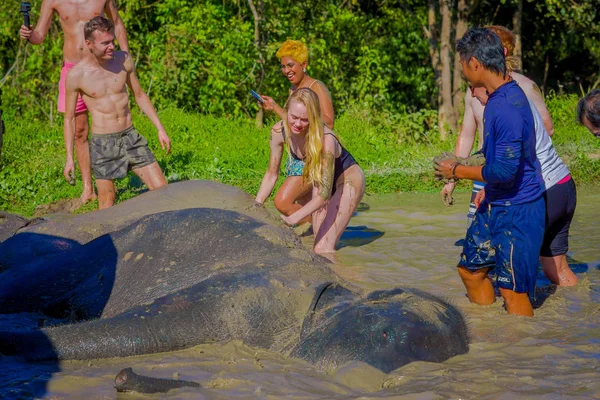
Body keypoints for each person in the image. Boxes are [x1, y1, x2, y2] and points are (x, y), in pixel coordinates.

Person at [435, 27, 545, 317]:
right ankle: (489, 334)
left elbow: (505, 171)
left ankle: (519, 352)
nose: (462, 70)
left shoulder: (507, 106)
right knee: (470, 271)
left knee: (513, 292)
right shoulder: (495, 99)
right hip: (495, 201)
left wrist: (456, 170)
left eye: (461, 63)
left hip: (518, 210)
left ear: (474, 63)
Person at [441, 26, 553, 226]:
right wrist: (452, 177)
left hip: (516, 174)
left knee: (511, 234)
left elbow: (547, 128)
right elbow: (467, 135)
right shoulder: (473, 90)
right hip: (483, 171)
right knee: (479, 233)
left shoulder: (523, 87)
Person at [20, 0, 130, 204]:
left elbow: (117, 24)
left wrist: (124, 56)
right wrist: (29, 34)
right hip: (72, 69)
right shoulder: (51, 1)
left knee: (108, 121)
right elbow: (39, 37)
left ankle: (111, 178)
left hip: (101, 66)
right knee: (80, 131)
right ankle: (88, 188)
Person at [469, 86, 577, 286]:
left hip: (542, 192)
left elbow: (509, 166)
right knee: (557, 270)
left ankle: (511, 317)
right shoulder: (517, 96)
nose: (472, 94)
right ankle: (580, 309)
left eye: (472, 87)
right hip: (563, 186)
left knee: (503, 269)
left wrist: (458, 171)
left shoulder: (503, 106)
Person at [63, 17, 170, 210]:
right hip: (103, 145)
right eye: (105, 43)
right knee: (107, 205)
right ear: (89, 44)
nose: (111, 46)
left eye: (112, 40)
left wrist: (160, 129)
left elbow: (139, 95)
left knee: (162, 191)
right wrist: (70, 158)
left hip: (131, 137)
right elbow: (69, 118)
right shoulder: (77, 75)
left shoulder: (123, 60)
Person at [256, 88, 364, 255]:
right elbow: (271, 174)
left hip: (347, 181)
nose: (298, 124)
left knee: (322, 249)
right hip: (319, 180)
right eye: (294, 117)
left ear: (314, 118)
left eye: (305, 120)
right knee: (315, 242)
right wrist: (256, 206)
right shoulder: (278, 132)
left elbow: (323, 196)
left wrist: (292, 219)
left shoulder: (326, 140)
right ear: (286, 111)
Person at [257, 40, 335, 221]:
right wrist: (274, 106)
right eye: (283, 66)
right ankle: (319, 226)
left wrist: (310, 114)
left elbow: (329, 123)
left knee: (283, 202)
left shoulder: (317, 87)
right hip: (296, 155)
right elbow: (293, 121)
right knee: (305, 205)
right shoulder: (293, 89)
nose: (286, 71)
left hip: (314, 156)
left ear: (304, 64)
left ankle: (325, 225)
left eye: (290, 65)